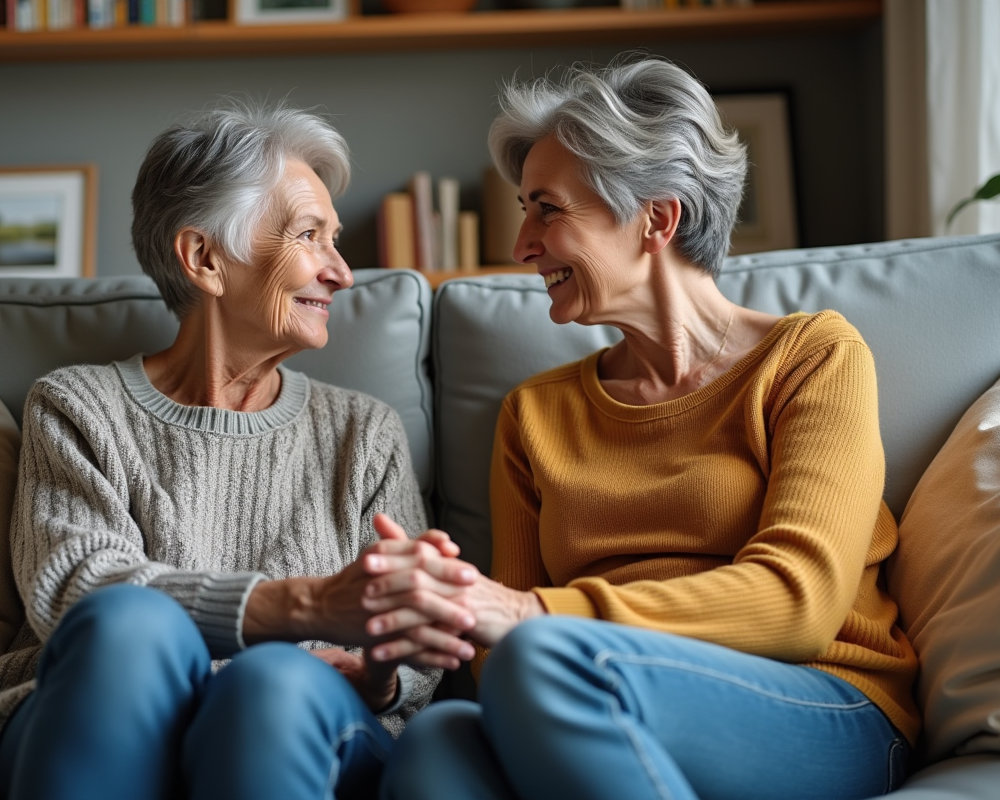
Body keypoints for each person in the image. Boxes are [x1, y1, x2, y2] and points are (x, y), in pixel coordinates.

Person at [376, 57, 919, 800]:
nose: (522, 246)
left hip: (823, 700)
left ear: (656, 218)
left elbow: (801, 603)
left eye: (547, 209)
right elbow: (495, 660)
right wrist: (467, 612)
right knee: (437, 741)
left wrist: (536, 615)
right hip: (586, 687)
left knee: (544, 657)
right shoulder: (535, 415)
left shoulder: (812, 357)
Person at [0, 100, 479, 800]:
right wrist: (306, 605)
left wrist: (380, 672)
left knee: (275, 683)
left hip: (295, 723)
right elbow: (77, 593)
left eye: (334, 239)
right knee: (128, 624)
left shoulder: (364, 433)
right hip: (101, 713)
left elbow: (413, 658)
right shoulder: (79, 407)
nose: (342, 272)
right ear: (204, 259)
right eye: (311, 236)